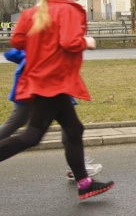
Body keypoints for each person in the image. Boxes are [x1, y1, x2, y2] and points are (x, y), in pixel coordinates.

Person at [0, 0, 114, 200]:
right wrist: (87, 42)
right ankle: (83, 182)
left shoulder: (33, 12)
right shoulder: (67, 10)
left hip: (45, 80)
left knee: (74, 130)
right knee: (32, 136)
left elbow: (18, 41)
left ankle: (84, 183)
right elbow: (69, 42)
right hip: (53, 81)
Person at [0, 48, 103, 181]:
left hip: (51, 80)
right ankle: (77, 169)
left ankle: (77, 168)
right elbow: (13, 52)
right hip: (38, 83)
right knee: (23, 127)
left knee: (69, 126)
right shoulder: (42, 29)